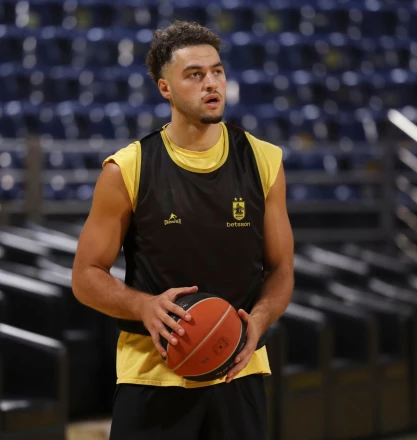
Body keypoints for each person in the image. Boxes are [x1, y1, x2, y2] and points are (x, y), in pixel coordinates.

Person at [72, 20, 294, 440]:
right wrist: (143, 306)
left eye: (217, 72)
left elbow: (281, 269)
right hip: (152, 376)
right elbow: (85, 276)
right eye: (194, 74)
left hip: (238, 370)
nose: (211, 83)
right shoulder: (128, 168)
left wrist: (259, 320)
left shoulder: (265, 160)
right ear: (165, 88)